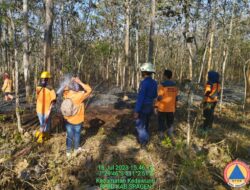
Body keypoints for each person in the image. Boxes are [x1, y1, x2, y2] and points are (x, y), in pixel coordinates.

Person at [62, 77, 92, 158]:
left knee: (69, 135)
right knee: (77, 135)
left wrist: (70, 82)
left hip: (68, 119)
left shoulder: (67, 94)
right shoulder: (80, 96)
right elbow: (89, 90)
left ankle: (68, 152)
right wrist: (80, 81)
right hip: (77, 120)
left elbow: (65, 89)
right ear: (77, 88)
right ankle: (75, 149)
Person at [134, 62, 157, 146]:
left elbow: (141, 98)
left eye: (141, 72)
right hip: (150, 106)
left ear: (144, 72)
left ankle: (144, 142)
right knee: (146, 124)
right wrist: (154, 107)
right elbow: (155, 96)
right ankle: (146, 140)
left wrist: (136, 111)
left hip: (143, 107)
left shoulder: (144, 83)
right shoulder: (154, 83)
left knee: (140, 126)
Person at [155, 69, 178, 141]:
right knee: (170, 123)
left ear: (165, 76)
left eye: (163, 75)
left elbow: (159, 97)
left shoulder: (162, 85)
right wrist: (175, 107)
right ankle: (170, 136)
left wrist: (155, 106)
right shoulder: (175, 86)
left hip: (162, 108)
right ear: (171, 76)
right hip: (171, 109)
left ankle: (161, 137)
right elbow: (176, 98)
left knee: (161, 123)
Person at [35, 71, 56, 143]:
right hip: (47, 110)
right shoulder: (50, 88)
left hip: (39, 109)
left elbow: (37, 97)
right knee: (45, 124)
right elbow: (53, 100)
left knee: (42, 123)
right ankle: (42, 136)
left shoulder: (38, 87)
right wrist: (53, 102)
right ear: (48, 79)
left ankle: (45, 135)